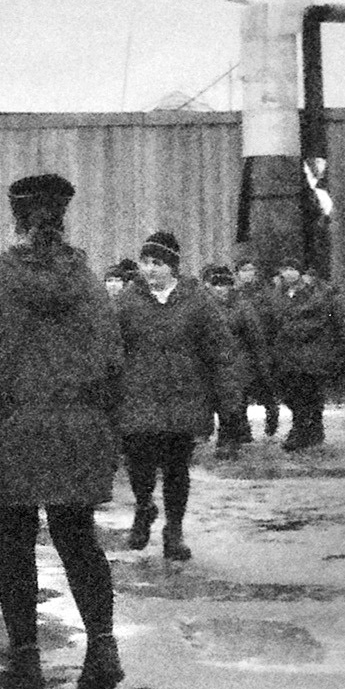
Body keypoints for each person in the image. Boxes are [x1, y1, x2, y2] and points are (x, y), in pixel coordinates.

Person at [0, 173, 124, 689]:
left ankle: (26, 662)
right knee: (79, 539)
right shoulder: (88, 283)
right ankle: (102, 650)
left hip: (10, 431)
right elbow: (113, 362)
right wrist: (108, 431)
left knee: (14, 544)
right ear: (62, 218)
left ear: (16, 220)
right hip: (77, 429)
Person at [115, 230, 242, 561]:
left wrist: (228, 400)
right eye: (145, 262)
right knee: (139, 464)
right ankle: (144, 507)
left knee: (176, 469)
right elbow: (112, 348)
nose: (149, 269)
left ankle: (174, 531)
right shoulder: (128, 301)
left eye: (157, 263)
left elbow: (220, 350)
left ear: (172, 266)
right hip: (138, 397)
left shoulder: (197, 301)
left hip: (183, 398)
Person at [265, 259, 345, 451]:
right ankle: (310, 428)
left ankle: (302, 430)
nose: (289, 273)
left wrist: (295, 328)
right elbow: (270, 320)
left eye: (293, 269)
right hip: (286, 352)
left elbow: (320, 320)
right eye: (285, 269)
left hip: (309, 352)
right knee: (292, 393)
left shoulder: (313, 293)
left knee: (308, 391)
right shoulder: (276, 294)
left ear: (300, 272)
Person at [199, 264, 252, 452]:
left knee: (230, 403)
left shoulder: (241, 306)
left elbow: (253, 337)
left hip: (234, 361)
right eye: (216, 285)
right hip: (210, 361)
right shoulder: (203, 306)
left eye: (224, 285)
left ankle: (229, 440)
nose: (220, 289)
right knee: (212, 400)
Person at [230, 259, 282, 440]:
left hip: (262, 346)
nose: (247, 273)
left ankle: (272, 416)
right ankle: (243, 430)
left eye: (250, 270)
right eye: (243, 270)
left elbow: (273, 318)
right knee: (241, 391)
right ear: (237, 273)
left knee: (265, 387)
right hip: (241, 347)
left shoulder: (264, 293)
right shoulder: (234, 294)